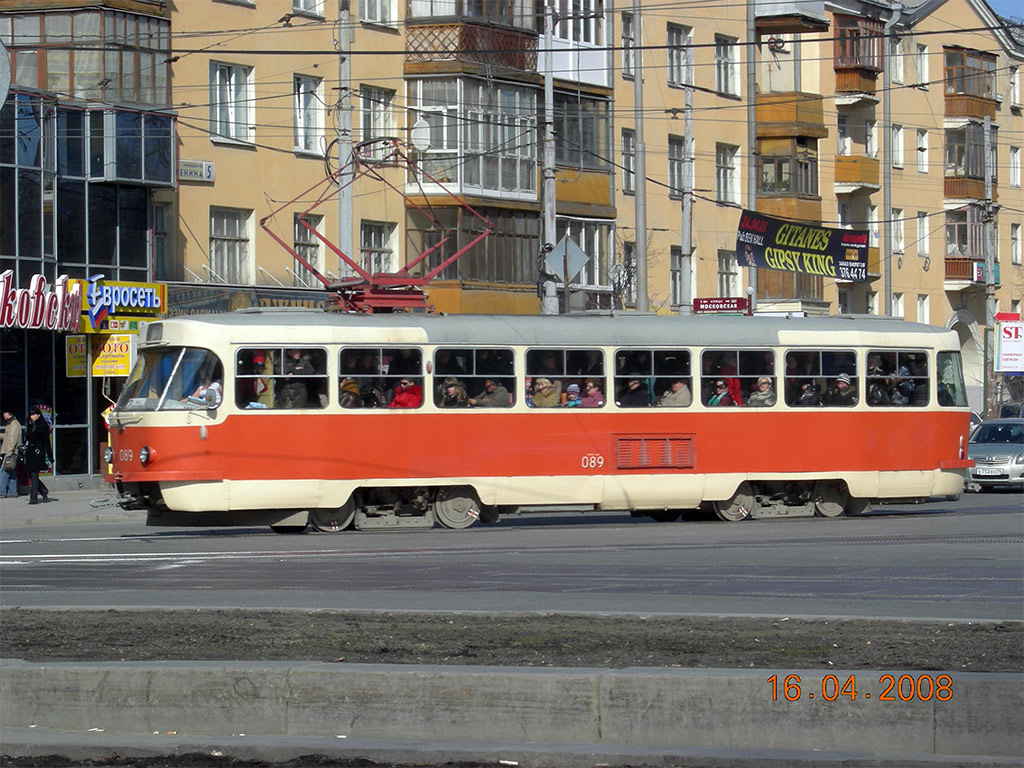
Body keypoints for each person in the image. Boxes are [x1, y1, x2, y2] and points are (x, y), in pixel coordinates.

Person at [24, 407, 53, 505]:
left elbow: (46, 442)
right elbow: (28, 438)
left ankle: (33, 498)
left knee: (34, 474)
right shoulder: (30, 424)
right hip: (30, 452)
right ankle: (43, 490)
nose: (32, 417)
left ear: (38, 415)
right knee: (31, 474)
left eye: (34, 414)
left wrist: (50, 456)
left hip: (38, 452)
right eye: (31, 415)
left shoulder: (42, 426)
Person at [1, 408, 22, 498]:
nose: (3, 416)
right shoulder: (10, 424)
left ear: (7, 413)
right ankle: (12, 492)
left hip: (11, 452)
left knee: (3, 472)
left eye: (4, 414)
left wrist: (8, 452)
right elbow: (7, 436)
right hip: (10, 451)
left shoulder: (14, 424)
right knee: (11, 472)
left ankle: (1, 492)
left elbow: (13, 439)